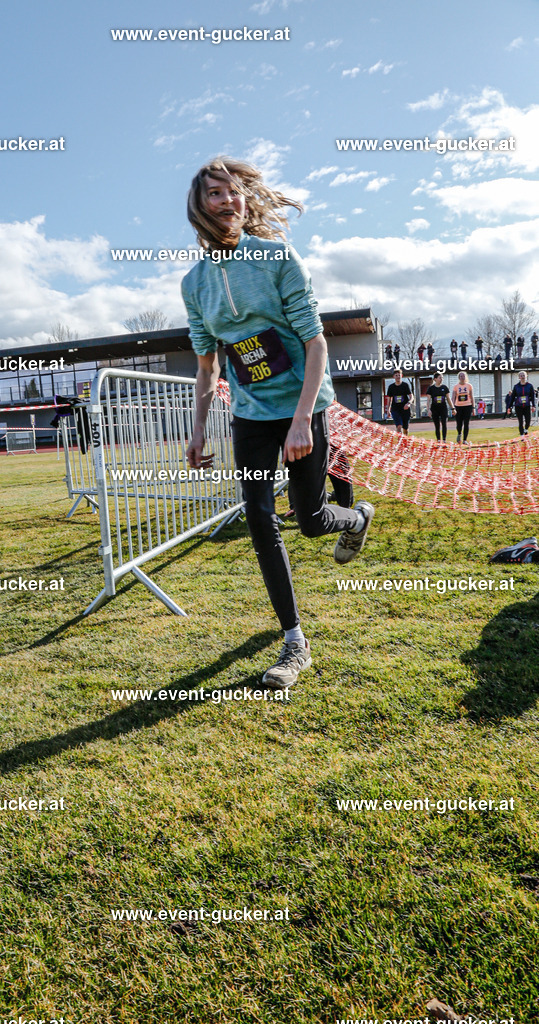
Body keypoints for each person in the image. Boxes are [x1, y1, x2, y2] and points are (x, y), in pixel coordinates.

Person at [182, 156, 374, 689]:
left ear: (245, 201)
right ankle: (294, 642)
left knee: (310, 519)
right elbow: (207, 366)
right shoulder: (193, 283)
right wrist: (197, 431)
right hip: (250, 415)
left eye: (233, 192)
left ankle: (355, 519)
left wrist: (299, 422)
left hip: (303, 408)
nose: (226, 201)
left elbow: (315, 343)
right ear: (200, 207)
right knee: (261, 517)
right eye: (215, 194)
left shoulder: (277, 258)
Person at [426, 373, 453, 441]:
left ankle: (444, 440)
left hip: (443, 408)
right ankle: (438, 440)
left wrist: (453, 408)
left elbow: (448, 398)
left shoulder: (444, 387)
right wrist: (428, 409)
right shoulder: (431, 388)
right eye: (439, 378)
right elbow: (428, 400)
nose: (441, 379)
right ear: (435, 379)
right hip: (434, 409)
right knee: (437, 425)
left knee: (444, 423)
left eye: (442, 378)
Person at [385, 369, 413, 435]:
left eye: (399, 375)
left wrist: (409, 403)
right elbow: (389, 399)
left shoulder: (405, 385)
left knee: (405, 428)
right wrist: (388, 409)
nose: (398, 377)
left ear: (402, 376)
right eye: (396, 375)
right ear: (393, 377)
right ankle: (400, 443)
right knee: (399, 426)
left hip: (405, 409)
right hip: (395, 409)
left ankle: (405, 441)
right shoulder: (391, 387)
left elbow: (411, 396)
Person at [451, 370, 475, 444]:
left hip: (467, 406)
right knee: (459, 424)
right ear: (459, 377)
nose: (462, 377)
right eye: (461, 376)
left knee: (466, 423)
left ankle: (464, 440)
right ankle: (459, 433)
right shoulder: (456, 387)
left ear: (466, 377)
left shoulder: (469, 386)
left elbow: (472, 396)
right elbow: (453, 397)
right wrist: (452, 408)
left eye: (463, 376)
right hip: (458, 407)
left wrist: (473, 408)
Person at [510, 370, 536, 435]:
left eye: (524, 375)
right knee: (520, 422)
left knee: (528, 420)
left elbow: (532, 396)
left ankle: (526, 429)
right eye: (521, 376)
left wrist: (533, 405)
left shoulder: (530, 386)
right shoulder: (516, 386)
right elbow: (512, 397)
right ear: (519, 377)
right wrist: (509, 406)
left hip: (527, 406)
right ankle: (522, 435)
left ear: (526, 376)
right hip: (518, 406)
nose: (522, 377)